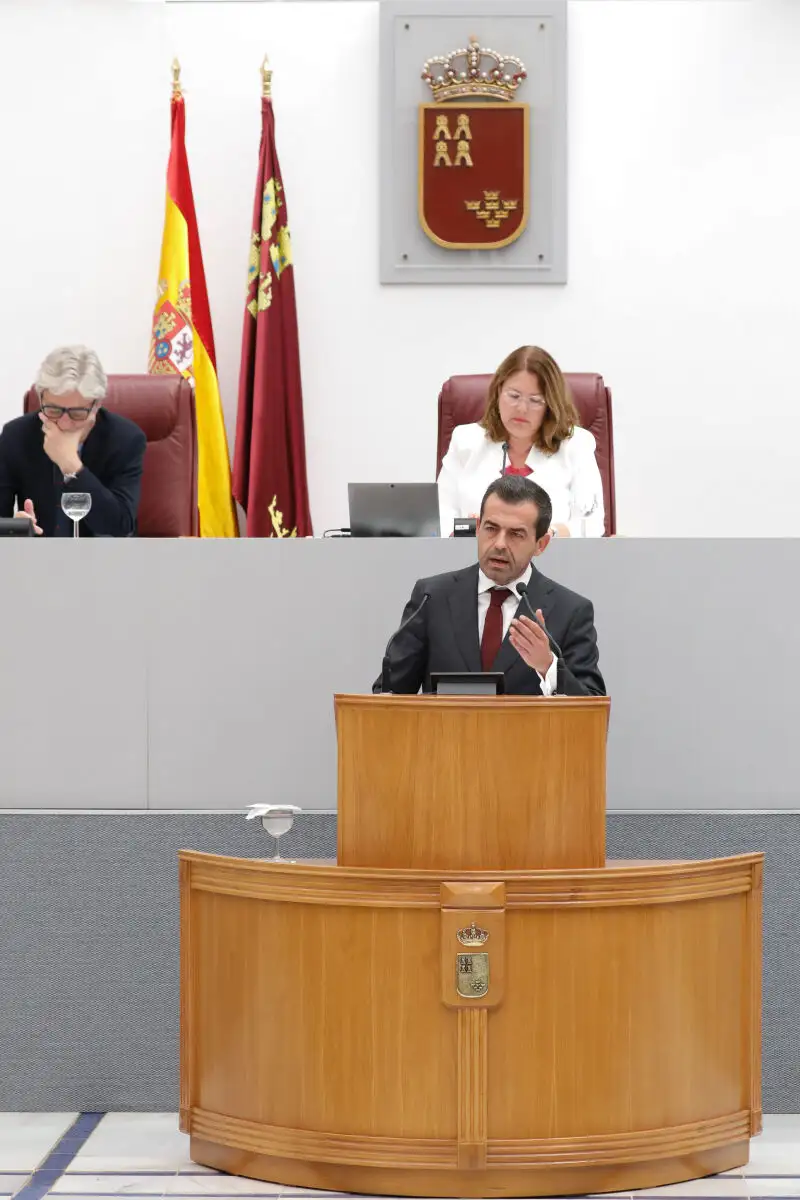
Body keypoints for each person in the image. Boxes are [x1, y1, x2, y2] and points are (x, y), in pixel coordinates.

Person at [376, 474, 605, 697]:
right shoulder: (431, 598)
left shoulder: (570, 611)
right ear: (478, 527)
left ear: (541, 544)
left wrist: (548, 666)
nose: (500, 544)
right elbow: (390, 693)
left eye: (516, 534)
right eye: (491, 528)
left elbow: (591, 706)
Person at [437, 345, 605, 538]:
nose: (522, 408)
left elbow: (590, 526)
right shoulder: (466, 441)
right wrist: (466, 530)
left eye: (535, 400)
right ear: (499, 391)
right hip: (475, 561)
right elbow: (441, 516)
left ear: (550, 405)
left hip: (551, 561)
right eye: (514, 396)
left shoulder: (576, 445)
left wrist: (549, 534)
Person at [0, 346, 146, 537]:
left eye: (77, 413)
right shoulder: (16, 436)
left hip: (105, 559)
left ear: (97, 405)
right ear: (41, 397)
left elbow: (120, 527)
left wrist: (71, 464)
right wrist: (14, 529)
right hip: (40, 558)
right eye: (53, 410)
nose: (64, 423)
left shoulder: (126, 439)